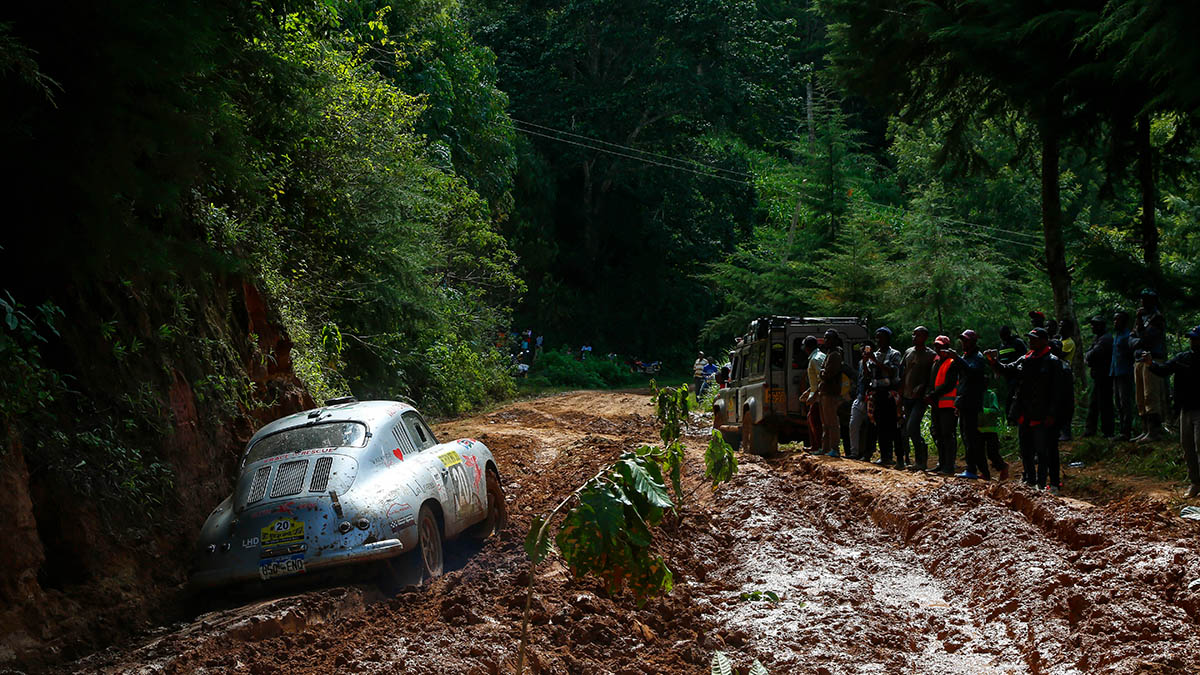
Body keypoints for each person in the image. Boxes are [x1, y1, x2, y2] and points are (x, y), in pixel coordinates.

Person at [986, 328, 1062, 492]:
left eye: (1034, 339)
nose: (1030, 341)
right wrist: (994, 362)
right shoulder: (1025, 359)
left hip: (1042, 414)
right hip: (1024, 413)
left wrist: (1052, 414)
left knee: (1042, 452)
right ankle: (1030, 482)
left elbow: (1057, 392)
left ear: (1044, 340)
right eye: (1030, 338)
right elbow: (1007, 369)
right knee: (1026, 450)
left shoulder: (1053, 361)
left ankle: (1042, 485)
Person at [1144, 324, 1200, 498]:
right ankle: (1195, 483)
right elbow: (1164, 370)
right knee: (1188, 447)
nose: (1192, 342)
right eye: (1191, 339)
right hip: (1185, 410)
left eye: (1195, 339)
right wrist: (1150, 364)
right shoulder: (1182, 358)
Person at [951, 330, 989, 479]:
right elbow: (963, 383)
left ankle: (972, 469)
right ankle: (981, 470)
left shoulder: (977, 358)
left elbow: (972, 372)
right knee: (969, 438)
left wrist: (957, 359)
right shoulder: (966, 357)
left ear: (973, 342)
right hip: (965, 402)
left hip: (972, 404)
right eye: (962, 341)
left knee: (972, 438)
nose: (963, 343)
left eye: (966, 341)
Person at [1132, 289, 1169, 442]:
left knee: (1150, 395)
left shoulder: (1157, 318)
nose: (1141, 303)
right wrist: (1138, 340)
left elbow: (1147, 338)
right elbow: (1132, 337)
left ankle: (1155, 431)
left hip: (1152, 359)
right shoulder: (1141, 317)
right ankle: (1145, 429)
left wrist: (1139, 339)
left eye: (1144, 300)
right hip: (1139, 360)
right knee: (1140, 396)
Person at [863, 327, 903, 468]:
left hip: (890, 393)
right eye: (877, 338)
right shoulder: (876, 354)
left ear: (887, 338)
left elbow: (893, 371)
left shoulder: (894, 354)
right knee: (879, 426)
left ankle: (900, 459)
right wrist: (865, 362)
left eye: (881, 337)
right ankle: (885, 456)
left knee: (895, 427)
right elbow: (868, 375)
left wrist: (875, 361)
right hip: (877, 393)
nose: (878, 340)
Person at [899, 326, 936, 471]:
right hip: (907, 396)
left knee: (912, 426)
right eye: (913, 334)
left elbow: (932, 377)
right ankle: (919, 461)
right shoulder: (908, 352)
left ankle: (922, 460)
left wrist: (923, 386)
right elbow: (903, 372)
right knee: (909, 430)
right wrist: (900, 394)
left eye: (918, 335)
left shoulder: (931, 355)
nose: (914, 337)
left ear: (925, 337)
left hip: (920, 398)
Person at [928, 335, 962, 475]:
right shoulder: (936, 361)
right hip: (936, 404)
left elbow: (949, 384)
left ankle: (949, 466)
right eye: (936, 345)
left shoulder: (952, 362)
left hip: (948, 404)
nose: (938, 348)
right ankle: (941, 463)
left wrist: (933, 394)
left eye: (941, 345)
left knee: (948, 435)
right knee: (938, 434)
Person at [1083, 315, 1115, 438]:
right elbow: (1089, 354)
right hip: (1098, 376)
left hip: (1105, 376)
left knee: (1105, 404)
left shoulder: (1105, 339)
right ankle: (1091, 430)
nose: (1092, 327)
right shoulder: (1098, 338)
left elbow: (1094, 354)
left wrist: (1090, 356)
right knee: (1094, 403)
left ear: (1101, 326)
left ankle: (1108, 431)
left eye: (1094, 325)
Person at [818, 330, 846, 457]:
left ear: (834, 340)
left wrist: (822, 373)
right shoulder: (830, 353)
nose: (825, 341)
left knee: (832, 422)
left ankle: (834, 448)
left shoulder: (835, 355)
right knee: (825, 423)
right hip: (825, 392)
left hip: (831, 393)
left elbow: (827, 374)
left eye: (828, 339)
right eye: (825, 338)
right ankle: (825, 448)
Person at [848, 340, 875, 461]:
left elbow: (869, 376)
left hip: (871, 399)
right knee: (853, 424)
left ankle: (867, 453)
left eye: (866, 348)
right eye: (862, 348)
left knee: (870, 428)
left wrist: (866, 362)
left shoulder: (874, 362)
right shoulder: (860, 362)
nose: (863, 350)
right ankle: (854, 452)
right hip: (860, 397)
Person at [1111, 311, 1136, 441]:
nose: (1115, 322)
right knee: (1118, 403)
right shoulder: (1116, 336)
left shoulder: (1127, 336)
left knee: (1125, 402)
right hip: (1116, 372)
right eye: (1114, 320)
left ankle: (1126, 431)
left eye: (1118, 320)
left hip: (1125, 372)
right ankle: (1121, 430)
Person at [977, 388, 1010, 480]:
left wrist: (984, 410)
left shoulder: (990, 395)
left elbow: (996, 410)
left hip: (991, 429)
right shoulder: (973, 393)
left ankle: (1003, 466)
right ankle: (985, 473)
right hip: (978, 428)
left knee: (992, 452)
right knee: (979, 452)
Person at [996, 326, 1027, 421]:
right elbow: (1000, 359)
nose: (1002, 337)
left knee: (1013, 398)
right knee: (1010, 397)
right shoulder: (1002, 346)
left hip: (1017, 376)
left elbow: (1024, 357)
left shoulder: (1017, 343)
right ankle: (1011, 420)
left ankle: (1012, 420)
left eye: (1004, 335)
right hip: (1007, 377)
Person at [803, 336, 825, 451]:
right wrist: (808, 391)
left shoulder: (815, 359)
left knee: (815, 420)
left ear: (808, 347)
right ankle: (816, 446)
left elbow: (821, 379)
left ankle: (818, 447)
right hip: (818, 393)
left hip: (819, 396)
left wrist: (814, 395)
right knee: (812, 418)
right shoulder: (820, 356)